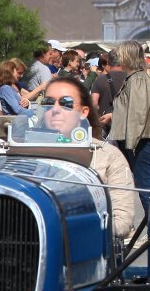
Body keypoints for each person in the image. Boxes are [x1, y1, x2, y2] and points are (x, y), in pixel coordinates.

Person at [36, 75, 138, 241]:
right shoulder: (24, 151)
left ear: (84, 112)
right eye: (48, 102)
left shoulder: (108, 155)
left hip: (87, 245)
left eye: (66, 103)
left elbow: (122, 222)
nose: (55, 109)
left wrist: (74, 225)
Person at [108, 41, 150, 215]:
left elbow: (138, 114)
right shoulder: (135, 77)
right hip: (140, 138)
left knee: (145, 187)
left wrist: (131, 144)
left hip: (141, 140)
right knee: (143, 185)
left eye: (121, 54)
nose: (118, 58)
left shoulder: (138, 78)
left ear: (128, 56)